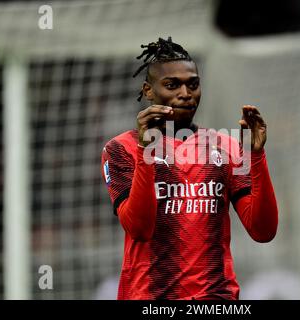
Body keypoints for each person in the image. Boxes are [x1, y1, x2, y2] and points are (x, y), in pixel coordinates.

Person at [101, 37, 278, 300]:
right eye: (172, 85)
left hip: (216, 299)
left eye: (192, 84)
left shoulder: (227, 147)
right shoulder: (120, 149)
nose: (185, 94)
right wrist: (145, 149)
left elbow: (263, 231)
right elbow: (140, 228)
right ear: (148, 90)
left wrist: (256, 156)